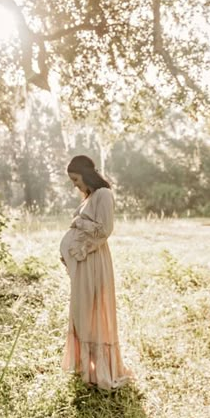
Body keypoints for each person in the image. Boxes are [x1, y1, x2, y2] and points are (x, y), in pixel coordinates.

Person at [59, 155, 132, 390]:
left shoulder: (103, 195)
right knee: (81, 311)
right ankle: (87, 368)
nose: (75, 185)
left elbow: (104, 230)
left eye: (75, 179)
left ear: (86, 174)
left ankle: (101, 370)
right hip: (84, 261)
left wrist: (79, 228)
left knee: (93, 311)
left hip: (94, 261)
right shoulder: (89, 197)